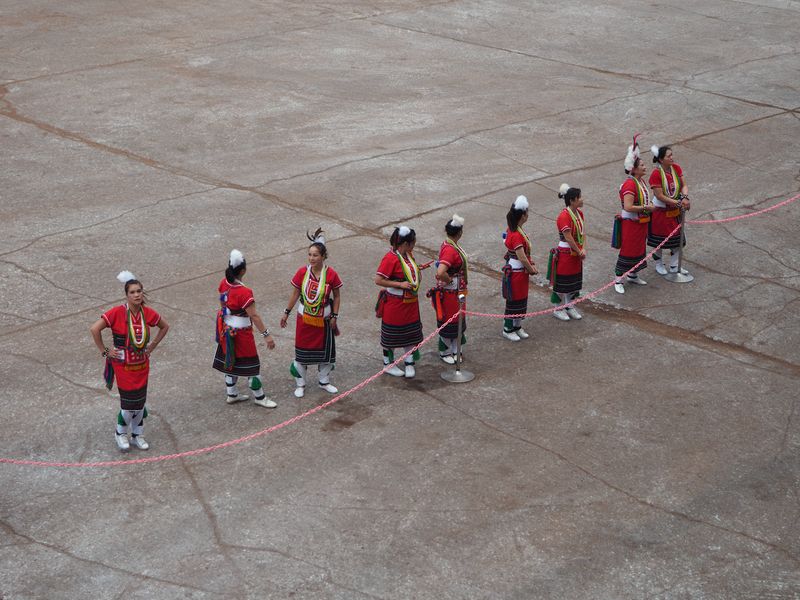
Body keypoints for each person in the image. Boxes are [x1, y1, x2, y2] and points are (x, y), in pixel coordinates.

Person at [90, 271, 169, 452]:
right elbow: (95, 329)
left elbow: (165, 326)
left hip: (141, 364)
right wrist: (105, 351)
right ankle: (120, 433)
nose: (137, 295)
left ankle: (137, 435)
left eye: (139, 291)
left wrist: (152, 346)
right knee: (127, 405)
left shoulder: (147, 313)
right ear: (126, 295)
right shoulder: (117, 313)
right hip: (123, 366)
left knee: (140, 403)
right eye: (132, 292)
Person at [280, 229, 343, 398]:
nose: (311, 258)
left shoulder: (331, 274)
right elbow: (295, 294)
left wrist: (335, 316)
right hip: (305, 320)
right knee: (302, 354)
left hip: (324, 321)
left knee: (325, 354)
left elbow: (336, 296)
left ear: (323, 256)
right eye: (309, 255)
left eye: (315, 255)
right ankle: (300, 384)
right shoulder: (302, 272)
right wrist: (286, 313)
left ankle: (324, 382)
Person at [212, 249, 277, 408]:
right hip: (242, 335)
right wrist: (266, 335)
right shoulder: (245, 292)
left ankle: (232, 394)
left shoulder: (223, 283)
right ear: (243, 270)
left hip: (227, 330)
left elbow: (222, 303)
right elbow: (254, 316)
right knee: (252, 368)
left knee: (231, 363)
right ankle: (260, 397)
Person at [375, 226, 429, 378]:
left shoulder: (408, 255)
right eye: (412, 243)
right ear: (405, 244)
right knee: (391, 336)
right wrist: (400, 284)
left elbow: (407, 271)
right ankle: (388, 364)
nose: (414, 245)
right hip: (395, 303)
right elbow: (378, 280)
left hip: (410, 303)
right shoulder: (390, 258)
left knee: (410, 334)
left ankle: (409, 363)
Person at [614, 135, 653, 294]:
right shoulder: (630, 184)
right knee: (628, 250)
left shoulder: (641, 182)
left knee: (638, 249)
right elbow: (629, 207)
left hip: (640, 223)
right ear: (634, 169)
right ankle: (618, 279)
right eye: (642, 165)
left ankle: (633, 274)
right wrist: (647, 207)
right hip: (630, 224)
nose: (645, 167)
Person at [649, 144, 691, 275]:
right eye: (669, 156)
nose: (672, 158)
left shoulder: (676, 168)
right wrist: (678, 202)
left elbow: (684, 185)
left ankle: (674, 265)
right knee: (659, 242)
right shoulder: (656, 174)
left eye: (672, 155)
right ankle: (659, 264)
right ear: (661, 160)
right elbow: (660, 195)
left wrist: (684, 197)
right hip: (660, 212)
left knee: (678, 240)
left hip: (675, 211)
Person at [431, 214, 468, 364]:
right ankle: (445, 350)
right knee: (449, 321)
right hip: (450, 293)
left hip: (457, 291)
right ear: (459, 232)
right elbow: (440, 272)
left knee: (458, 320)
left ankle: (455, 348)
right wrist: (450, 280)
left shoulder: (449, 245)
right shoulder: (450, 250)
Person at [502, 195, 537, 341]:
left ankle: (517, 326)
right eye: (527, 212)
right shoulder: (516, 234)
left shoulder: (516, 229)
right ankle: (508, 328)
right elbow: (521, 256)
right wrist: (531, 269)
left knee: (521, 299)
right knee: (514, 300)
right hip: (516, 272)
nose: (528, 215)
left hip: (519, 271)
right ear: (522, 215)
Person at [549, 184, 586, 320]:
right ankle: (557, 308)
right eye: (579, 197)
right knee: (563, 282)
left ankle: (569, 305)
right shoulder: (564, 216)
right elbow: (568, 237)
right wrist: (579, 250)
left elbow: (583, 234)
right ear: (572, 200)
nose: (582, 200)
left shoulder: (580, 214)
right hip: (566, 253)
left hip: (577, 252)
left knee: (574, 281)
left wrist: (583, 249)